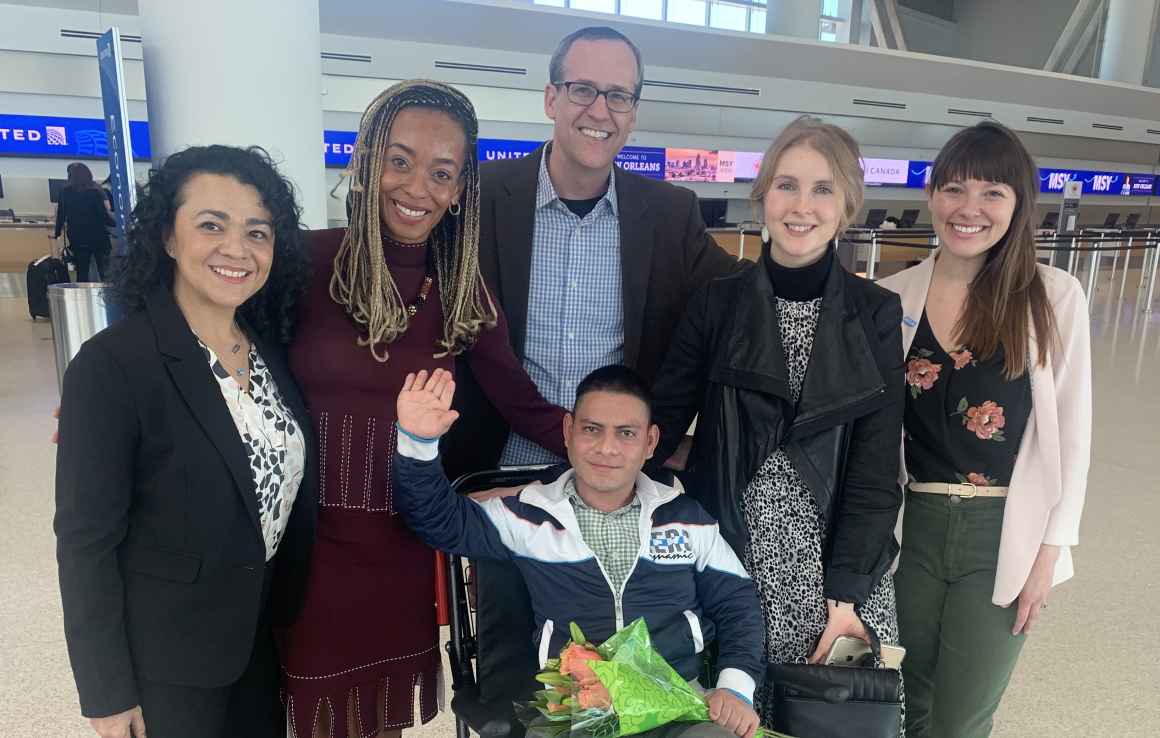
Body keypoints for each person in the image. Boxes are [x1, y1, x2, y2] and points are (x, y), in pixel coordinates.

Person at [279, 80, 568, 738]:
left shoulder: (461, 291)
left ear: (461, 188)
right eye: (400, 160)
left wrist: (626, 449)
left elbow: (521, 402)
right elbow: (225, 348)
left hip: (399, 549)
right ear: (366, 157)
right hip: (304, 549)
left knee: (377, 724)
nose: (417, 188)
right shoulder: (303, 262)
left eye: (442, 172)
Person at [649, 116, 907, 723]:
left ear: (847, 206)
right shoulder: (718, 302)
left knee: (827, 722)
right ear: (763, 194)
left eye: (823, 189)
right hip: (731, 564)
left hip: (832, 582)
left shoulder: (874, 314)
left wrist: (846, 596)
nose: (802, 206)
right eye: (787, 185)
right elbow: (659, 425)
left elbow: (873, 473)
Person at [55, 145, 317, 738]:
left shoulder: (269, 349)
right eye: (210, 225)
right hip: (166, 661)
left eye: (258, 232)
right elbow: (84, 541)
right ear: (167, 238)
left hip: (259, 640)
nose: (237, 249)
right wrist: (105, 691)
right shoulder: (113, 365)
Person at [394, 365, 765, 738]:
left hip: (678, 706)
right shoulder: (528, 517)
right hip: (574, 711)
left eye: (626, 433)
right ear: (569, 432)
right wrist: (418, 442)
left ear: (650, 442)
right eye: (592, 429)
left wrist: (735, 688)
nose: (607, 448)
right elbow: (439, 520)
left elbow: (737, 603)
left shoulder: (689, 520)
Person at [443, 25, 738, 478]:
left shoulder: (670, 215)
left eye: (618, 95)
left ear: (633, 112)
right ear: (550, 99)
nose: (600, 111)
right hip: (491, 474)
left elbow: (746, 295)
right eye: (582, 90)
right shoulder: (477, 199)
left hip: (614, 483)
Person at [879, 120, 1092, 738]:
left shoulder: (1052, 297)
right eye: (954, 189)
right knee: (905, 702)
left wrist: (1049, 555)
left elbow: (1075, 437)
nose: (969, 209)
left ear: (1019, 204)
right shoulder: (891, 298)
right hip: (913, 529)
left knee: (962, 718)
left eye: (993, 193)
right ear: (931, 195)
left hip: (1003, 534)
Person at [52, 162, 115, 281]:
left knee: (82, 272)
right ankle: (109, 297)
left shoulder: (65, 192)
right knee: (105, 271)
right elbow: (103, 216)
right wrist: (118, 225)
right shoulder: (95, 192)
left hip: (78, 238)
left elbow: (61, 214)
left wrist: (57, 233)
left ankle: (83, 297)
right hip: (98, 237)